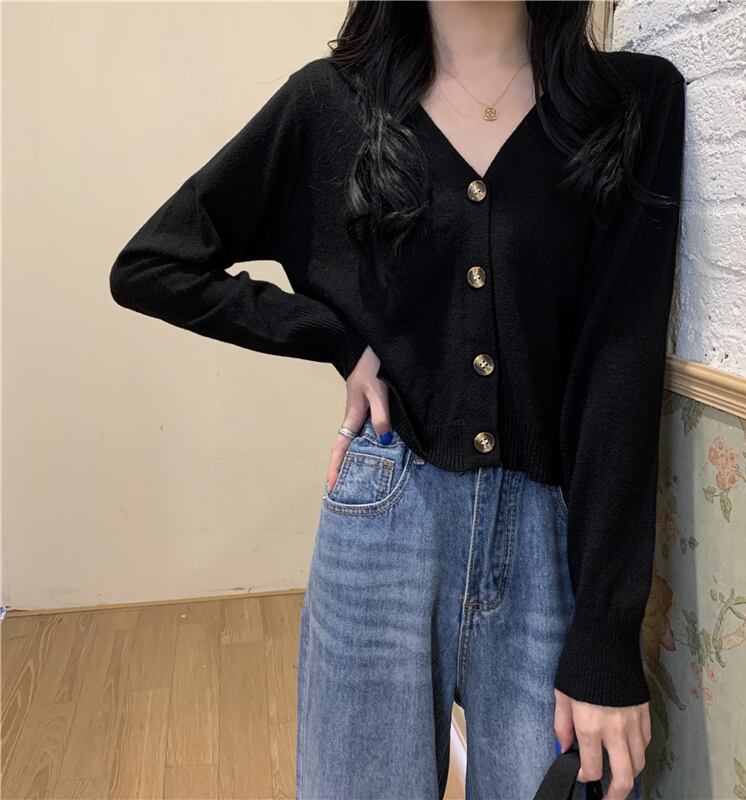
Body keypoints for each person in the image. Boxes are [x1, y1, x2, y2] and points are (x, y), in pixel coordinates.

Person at [109, 2, 686, 798]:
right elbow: (153, 265)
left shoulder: (631, 103)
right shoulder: (328, 105)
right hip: (383, 520)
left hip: (551, 539)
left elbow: (619, 370)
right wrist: (334, 338)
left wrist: (607, 640)